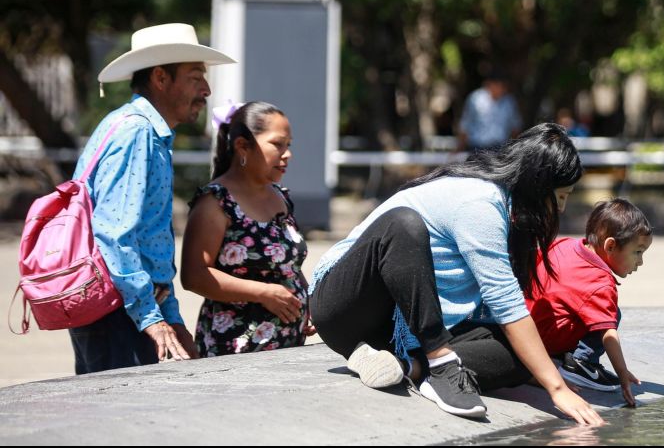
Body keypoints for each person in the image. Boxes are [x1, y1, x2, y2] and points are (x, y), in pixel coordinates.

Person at [309, 123, 604, 425]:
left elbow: (507, 316)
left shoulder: (509, 210)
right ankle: (441, 365)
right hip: (346, 308)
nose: (562, 209)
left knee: (522, 354)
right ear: (536, 187)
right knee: (403, 224)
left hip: (397, 329)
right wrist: (556, 389)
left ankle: (404, 366)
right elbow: (505, 303)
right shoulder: (480, 201)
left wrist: (541, 372)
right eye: (561, 197)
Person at [68, 23, 236, 373]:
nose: (206, 90)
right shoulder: (136, 131)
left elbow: (149, 240)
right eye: (195, 77)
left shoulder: (144, 130)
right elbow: (115, 234)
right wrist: (150, 318)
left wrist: (169, 316)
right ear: (161, 78)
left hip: (124, 310)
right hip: (119, 314)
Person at [180, 101, 314, 357]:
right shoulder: (215, 202)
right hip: (235, 352)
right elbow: (194, 276)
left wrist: (310, 301)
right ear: (243, 145)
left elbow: (288, 267)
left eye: (289, 145)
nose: (287, 154)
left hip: (287, 349)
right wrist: (264, 293)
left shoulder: (281, 196)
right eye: (277, 144)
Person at [526, 198, 652, 407]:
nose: (640, 262)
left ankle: (566, 357)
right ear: (610, 245)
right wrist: (622, 374)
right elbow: (608, 334)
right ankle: (581, 364)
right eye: (637, 252)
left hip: (525, 329)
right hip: (545, 340)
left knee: (590, 309)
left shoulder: (566, 244)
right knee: (612, 314)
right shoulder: (600, 283)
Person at [456, 69, 522, 153]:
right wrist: (459, 148)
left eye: (503, 86)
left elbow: (515, 127)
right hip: (477, 147)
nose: (502, 89)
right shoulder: (475, 99)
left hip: (499, 148)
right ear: (489, 84)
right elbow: (465, 125)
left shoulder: (509, 102)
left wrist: (514, 149)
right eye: (498, 85)